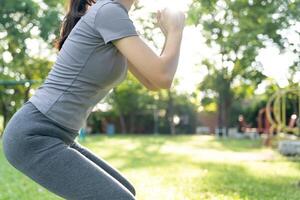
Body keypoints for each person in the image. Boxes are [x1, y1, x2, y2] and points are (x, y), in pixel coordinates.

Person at [2, 0, 185, 199]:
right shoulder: (108, 12)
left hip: (59, 133)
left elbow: (153, 81)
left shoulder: (115, 18)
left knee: (126, 192)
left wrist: (169, 35)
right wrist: (176, 30)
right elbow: (163, 77)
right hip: (34, 134)